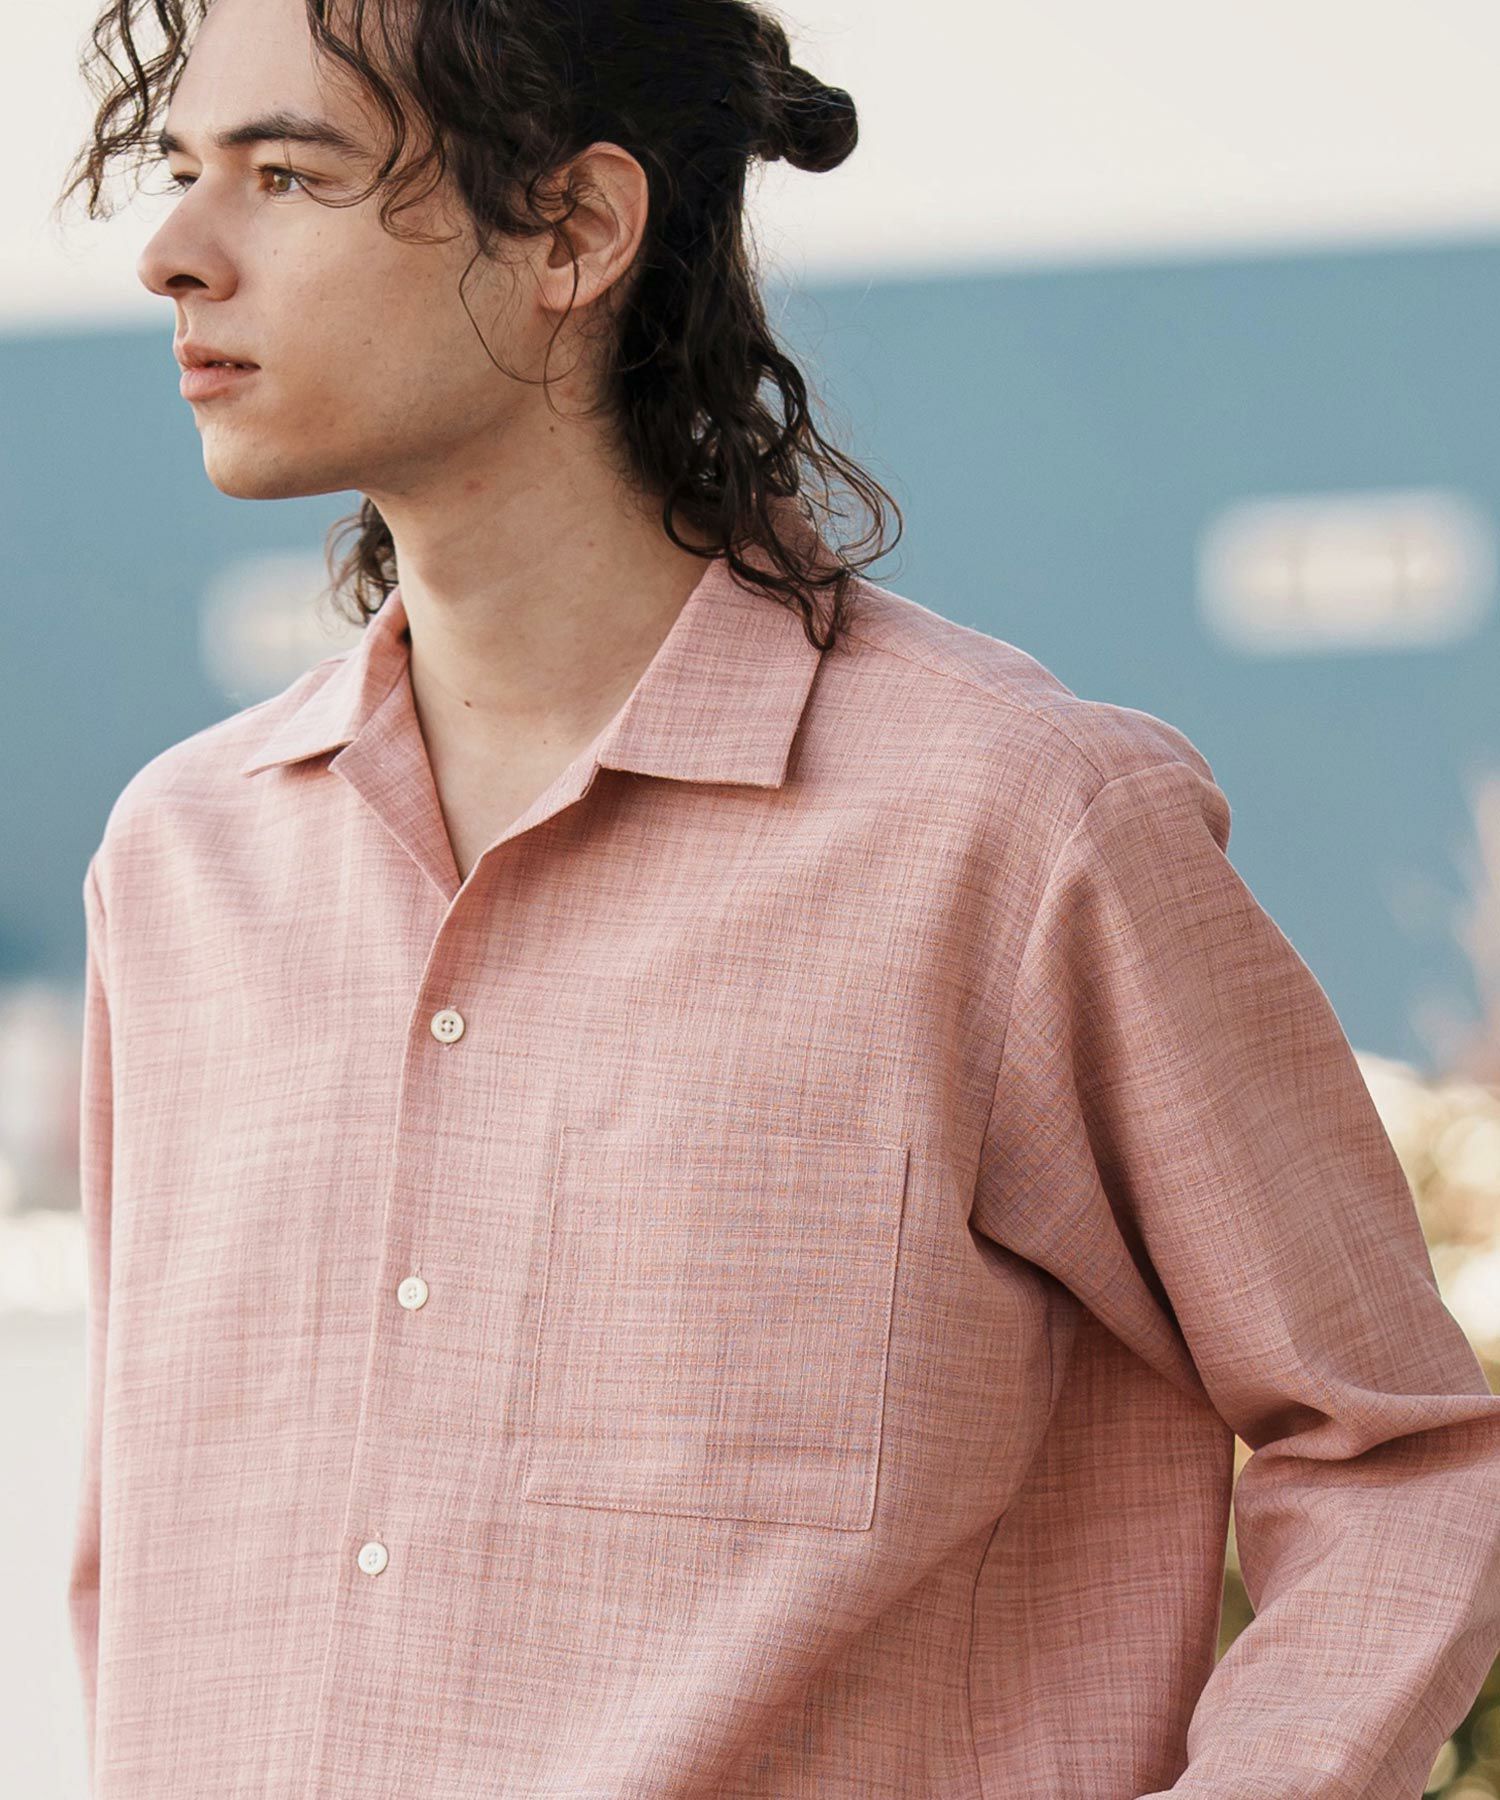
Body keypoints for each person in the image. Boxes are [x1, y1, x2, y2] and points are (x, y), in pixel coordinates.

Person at [57, 1, 1500, 1795]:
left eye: (288, 175)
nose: (173, 253)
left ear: (576, 229)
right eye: (183, 171)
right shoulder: (181, 865)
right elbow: (145, 1566)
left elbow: (1402, 1455)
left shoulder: (1011, 828)